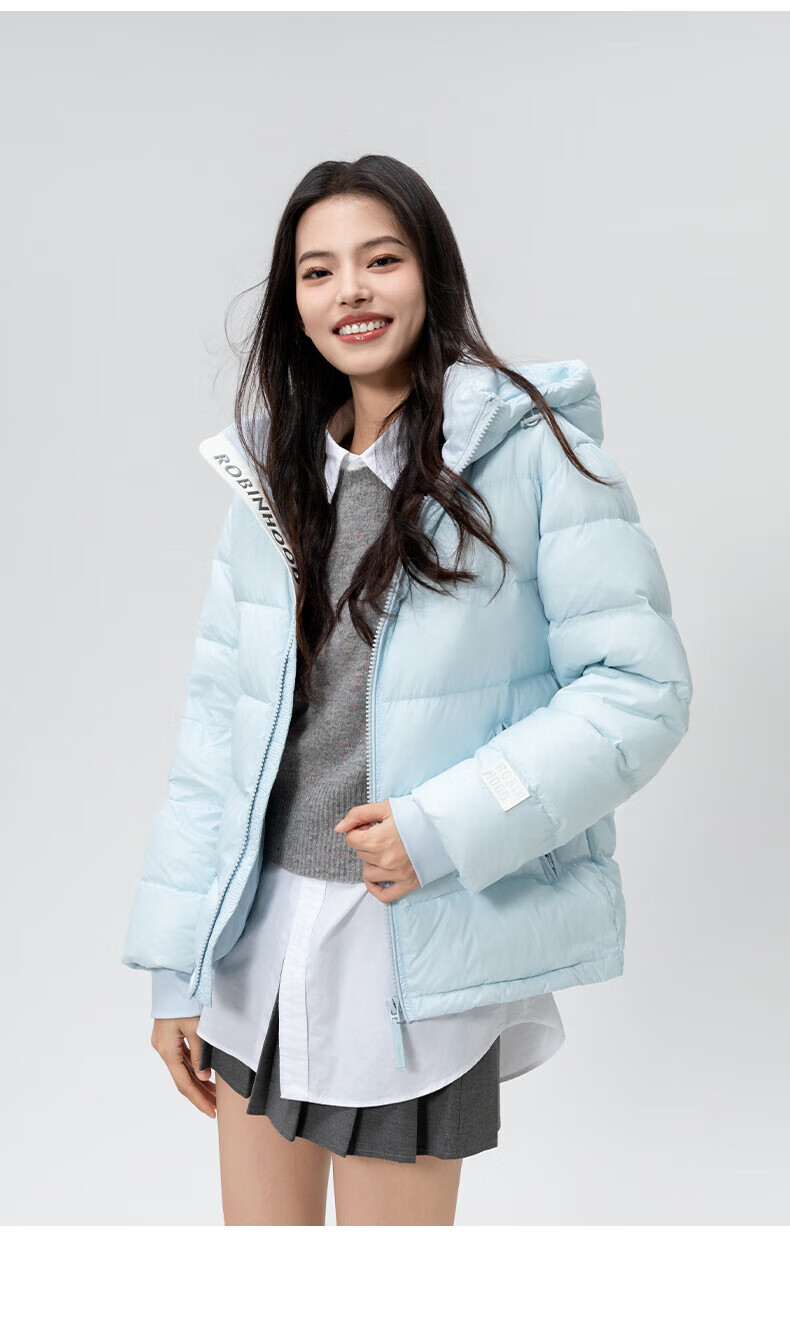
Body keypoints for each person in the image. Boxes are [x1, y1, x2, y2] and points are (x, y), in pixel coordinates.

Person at [121, 154, 693, 1226]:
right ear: (293, 302)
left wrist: (444, 825)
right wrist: (177, 967)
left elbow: (638, 689)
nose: (351, 291)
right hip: (253, 952)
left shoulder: (539, 457)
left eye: (380, 260)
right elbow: (215, 737)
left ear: (431, 271)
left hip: (408, 955)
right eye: (318, 271)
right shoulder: (273, 476)